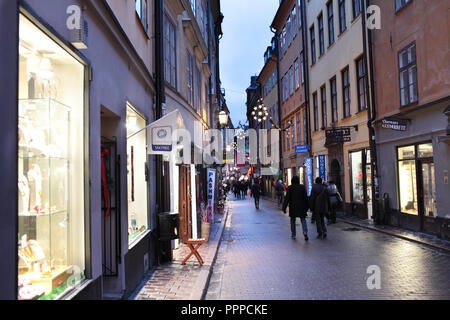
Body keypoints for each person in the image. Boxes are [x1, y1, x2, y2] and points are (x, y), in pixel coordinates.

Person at [282, 176, 309, 241]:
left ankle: (293, 234)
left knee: (293, 220)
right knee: (303, 219)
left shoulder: (290, 188)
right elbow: (306, 198)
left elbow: (287, 198)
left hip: (293, 206)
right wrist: (307, 206)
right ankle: (305, 232)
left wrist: (284, 208)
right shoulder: (302, 187)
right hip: (302, 206)